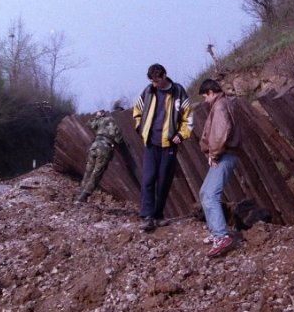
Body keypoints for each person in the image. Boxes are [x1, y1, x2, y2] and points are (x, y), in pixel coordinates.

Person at [132, 63, 193, 232]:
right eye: (152, 81)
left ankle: (158, 215)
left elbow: (188, 117)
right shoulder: (148, 91)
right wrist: (140, 128)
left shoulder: (178, 91)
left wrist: (181, 134)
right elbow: (137, 110)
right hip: (151, 143)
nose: (154, 84)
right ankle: (147, 216)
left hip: (169, 145)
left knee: (164, 181)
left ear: (164, 76)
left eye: (157, 81)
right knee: (148, 179)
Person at [197, 79, 242, 257]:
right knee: (204, 192)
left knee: (210, 195)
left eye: (205, 96)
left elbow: (221, 131)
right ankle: (216, 230)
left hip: (224, 155)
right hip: (224, 154)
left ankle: (222, 236)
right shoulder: (222, 104)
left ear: (210, 92)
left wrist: (214, 154)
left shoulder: (220, 105)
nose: (205, 100)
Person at [76, 109, 124, 203]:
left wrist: (97, 116)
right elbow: (119, 140)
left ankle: (80, 193)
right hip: (105, 149)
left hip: (94, 146)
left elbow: (89, 124)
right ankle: (84, 196)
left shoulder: (102, 120)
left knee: (88, 171)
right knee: (96, 173)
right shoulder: (116, 125)